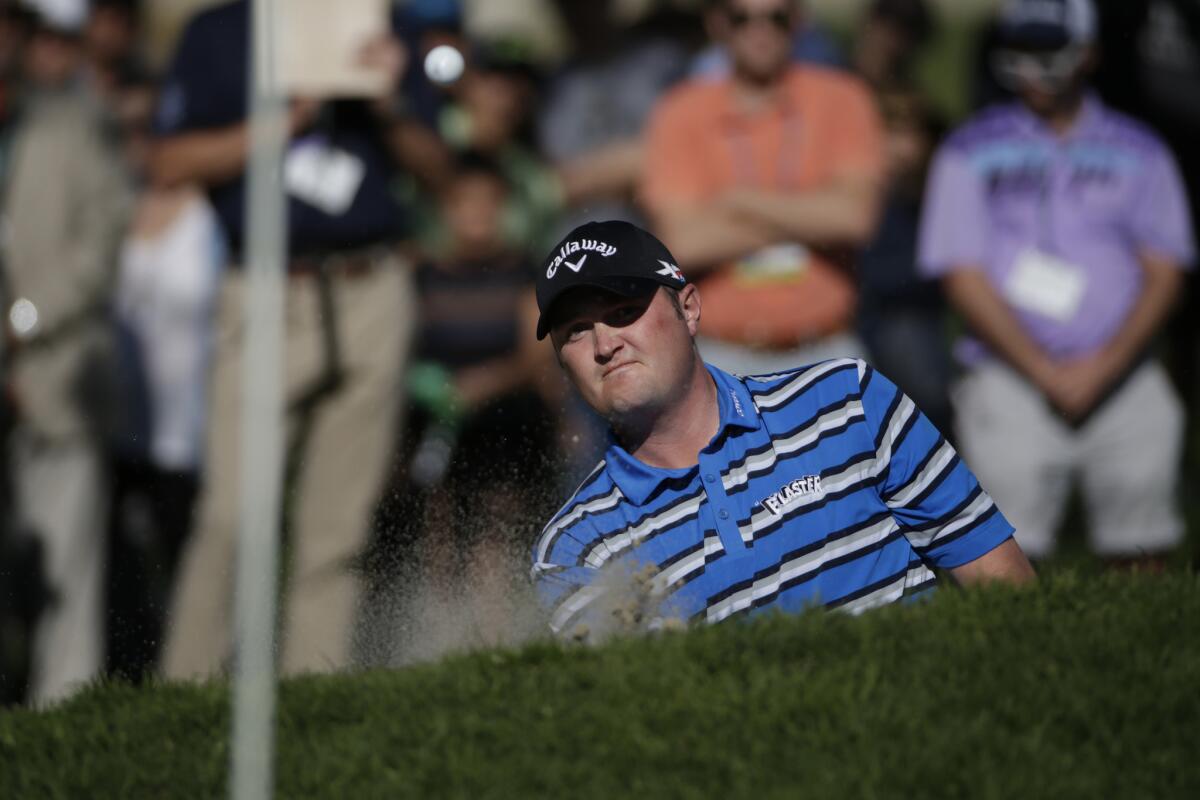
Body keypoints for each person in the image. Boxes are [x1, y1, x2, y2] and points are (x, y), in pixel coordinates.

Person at [530, 220, 1034, 637]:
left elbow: (1003, 586)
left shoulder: (847, 400)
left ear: (689, 309)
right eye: (576, 330)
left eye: (623, 313)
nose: (604, 344)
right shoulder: (577, 546)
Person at [154, 0, 416, 679]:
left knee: (340, 528)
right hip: (268, 287)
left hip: (371, 283)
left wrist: (392, 102)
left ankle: (315, 687)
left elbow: (444, 169)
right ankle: (186, 689)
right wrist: (289, 117)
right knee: (232, 519)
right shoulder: (218, 32)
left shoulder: (380, 19)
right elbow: (170, 160)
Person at [918, 0, 1194, 566]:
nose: (1033, 67)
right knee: (1006, 551)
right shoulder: (967, 149)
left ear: (1088, 54)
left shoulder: (1142, 149)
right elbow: (960, 273)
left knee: (1143, 549)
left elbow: (1166, 270)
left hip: (1126, 377)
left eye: (1049, 50)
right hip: (1007, 376)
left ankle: (1143, 652)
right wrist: (1045, 371)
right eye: (1021, 50)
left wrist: (1103, 366)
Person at [640, 0, 884, 377]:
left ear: (798, 21)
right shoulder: (680, 112)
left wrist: (740, 202)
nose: (760, 30)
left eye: (777, 17)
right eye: (742, 18)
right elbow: (682, 242)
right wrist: (811, 217)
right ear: (717, 23)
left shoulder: (843, 98)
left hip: (828, 347)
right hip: (721, 352)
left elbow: (854, 218)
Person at [1, 8, 132, 703]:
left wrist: (21, 325)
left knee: (66, 561)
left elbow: (99, 247)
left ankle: (65, 712)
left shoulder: (76, 125)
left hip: (55, 376)